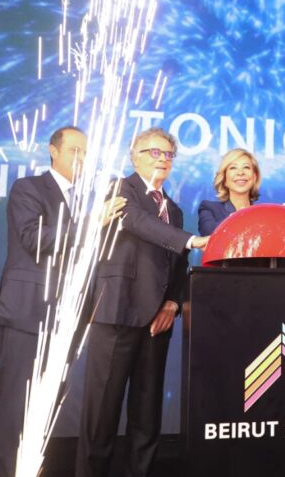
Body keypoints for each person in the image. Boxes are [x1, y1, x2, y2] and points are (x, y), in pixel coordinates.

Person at [0, 126, 126, 477]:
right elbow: (36, 239)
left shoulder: (84, 201)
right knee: (17, 410)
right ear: (53, 151)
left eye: (86, 152)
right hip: (28, 315)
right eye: (74, 150)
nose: (81, 158)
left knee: (45, 412)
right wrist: (93, 223)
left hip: (66, 321)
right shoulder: (29, 188)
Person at [76, 127, 208, 477]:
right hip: (117, 312)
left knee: (147, 413)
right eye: (154, 152)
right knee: (102, 413)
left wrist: (173, 303)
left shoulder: (174, 210)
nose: (162, 159)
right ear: (134, 156)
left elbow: (178, 264)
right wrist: (192, 240)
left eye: (168, 154)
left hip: (156, 322)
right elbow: (137, 222)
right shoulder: (120, 189)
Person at [198, 148, 261, 235]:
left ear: (254, 177)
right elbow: (208, 232)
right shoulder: (209, 208)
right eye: (233, 168)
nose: (240, 173)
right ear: (224, 179)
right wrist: (236, 219)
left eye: (246, 167)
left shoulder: (262, 214)